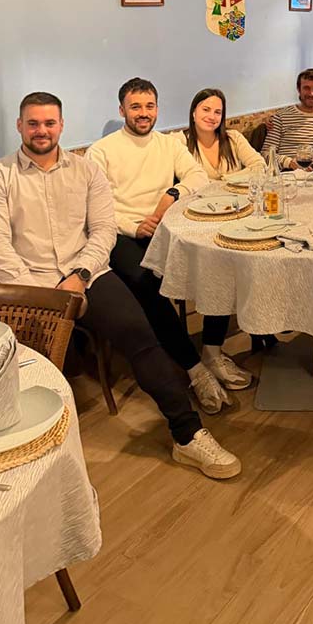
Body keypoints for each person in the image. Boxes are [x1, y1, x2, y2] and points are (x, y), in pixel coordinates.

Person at [0, 92, 240, 479]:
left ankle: (188, 435)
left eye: (49, 123)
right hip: (27, 287)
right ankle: (23, 457)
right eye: (33, 123)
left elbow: (102, 232)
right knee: (27, 368)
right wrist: (44, 297)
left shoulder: (85, 172)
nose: (42, 131)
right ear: (20, 126)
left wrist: (79, 277)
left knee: (141, 338)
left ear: (61, 125)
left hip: (86, 275)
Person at [87, 78, 231, 414]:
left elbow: (197, 176)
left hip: (166, 227)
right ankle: (195, 369)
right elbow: (97, 207)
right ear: (122, 110)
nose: (143, 113)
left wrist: (173, 193)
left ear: (157, 108)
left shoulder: (169, 144)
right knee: (147, 283)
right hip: (120, 234)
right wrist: (134, 226)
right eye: (135, 106)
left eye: (149, 106)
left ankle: (214, 351)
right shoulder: (101, 150)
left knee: (219, 259)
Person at [171, 87, 265, 389]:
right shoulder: (178, 142)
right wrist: (228, 183)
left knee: (263, 256)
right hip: (198, 223)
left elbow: (259, 166)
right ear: (193, 111)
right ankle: (212, 350)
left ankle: (263, 326)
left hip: (237, 216)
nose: (211, 116)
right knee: (221, 272)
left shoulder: (233, 139)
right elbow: (186, 184)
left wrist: (221, 182)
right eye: (206, 110)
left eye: (217, 112)